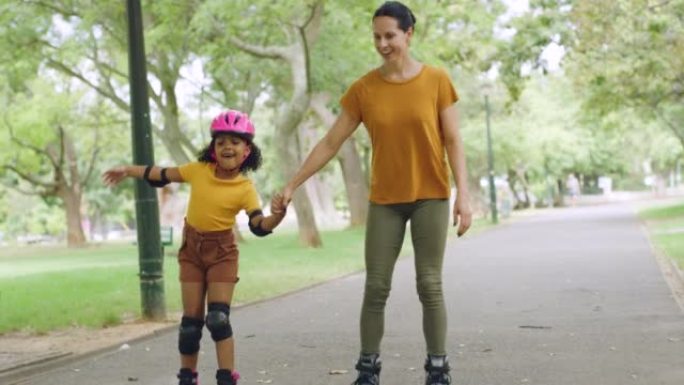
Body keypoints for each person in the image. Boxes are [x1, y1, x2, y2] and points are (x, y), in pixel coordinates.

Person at [280, 2, 472, 384]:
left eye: (390, 36)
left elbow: (453, 139)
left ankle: (438, 368)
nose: (383, 44)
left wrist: (462, 196)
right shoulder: (364, 89)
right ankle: (368, 370)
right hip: (385, 200)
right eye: (377, 37)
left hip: (430, 196)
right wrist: (291, 184)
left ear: (408, 34)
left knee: (429, 283)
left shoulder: (436, 80)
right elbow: (331, 142)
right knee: (376, 285)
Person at [103, 110, 287, 385]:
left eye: (235, 142)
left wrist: (278, 216)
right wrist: (129, 170)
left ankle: (227, 378)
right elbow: (161, 174)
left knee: (218, 319)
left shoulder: (245, 188)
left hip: (222, 253)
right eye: (221, 141)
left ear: (247, 150)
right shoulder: (198, 171)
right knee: (190, 325)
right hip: (191, 250)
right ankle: (187, 378)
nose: (227, 146)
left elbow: (258, 224)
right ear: (213, 148)